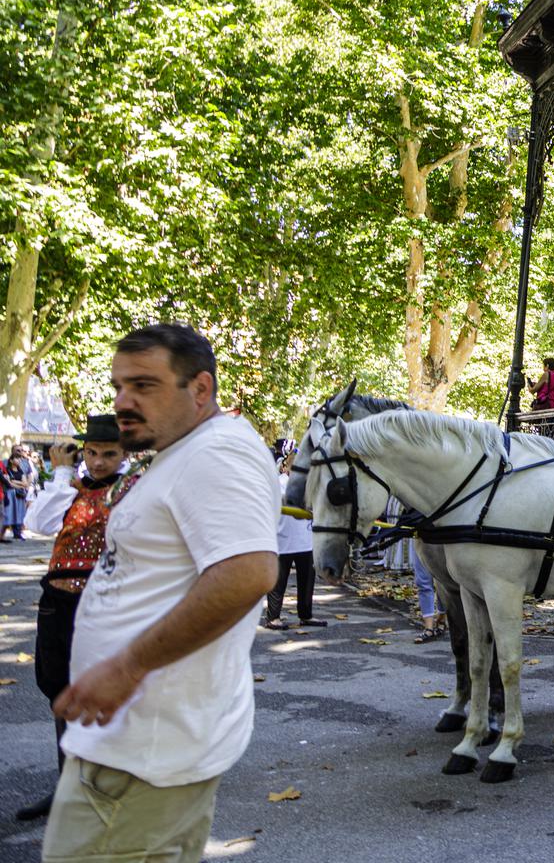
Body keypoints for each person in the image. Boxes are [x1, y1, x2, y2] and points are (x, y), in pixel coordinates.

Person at [43, 324, 279, 863]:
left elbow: (247, 573)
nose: (123, 401)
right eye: (119, 385)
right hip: (142, 748)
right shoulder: (187, 451)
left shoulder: (216, 454)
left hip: (140, 756)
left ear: (200, 390)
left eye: (144, 386)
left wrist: (126, 666)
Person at [14, 416, 127, 823]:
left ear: (124, 454)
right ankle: (68, 787)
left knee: (100, 697)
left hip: (102, 604)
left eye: (108, 454)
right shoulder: (71, 489)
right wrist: (62, 472)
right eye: (92, 453)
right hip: (56, 603)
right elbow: (38, 524)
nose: (98, 463)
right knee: (59, 691)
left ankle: (104, 789)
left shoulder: (130, 491)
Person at [262, 444, 324, 631]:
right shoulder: (278, 483)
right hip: (282, 540)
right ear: (287, 467)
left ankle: (306, 615)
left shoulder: (310, 485)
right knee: (278, 581)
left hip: (305, 539)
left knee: (307, 580)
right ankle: (273, 617)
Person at [410, 540, 445, 642]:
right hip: (420, 537)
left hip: (443, 537)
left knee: (443, 582)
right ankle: (428, 628)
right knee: (423, 582)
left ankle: (442, 619)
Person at [3, 444, 31, 540]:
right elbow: (8, 483)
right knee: (10, 512)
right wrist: (17, 483)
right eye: (17, 450)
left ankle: (17, 532)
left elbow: (25, 483)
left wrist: (15, 481)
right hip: (11, 494)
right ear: (11, 460)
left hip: (20, 494)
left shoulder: (22, 469)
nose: (19, 459)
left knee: (19, 512)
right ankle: (5, 532)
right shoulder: (6, 467)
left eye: (21, 450)